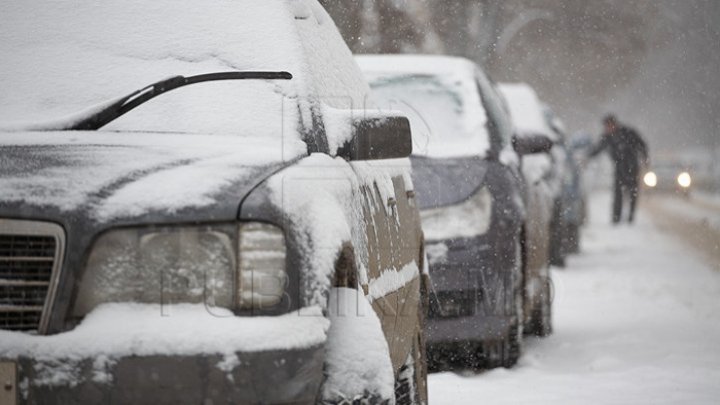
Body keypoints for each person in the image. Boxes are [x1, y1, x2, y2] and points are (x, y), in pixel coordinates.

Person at [587, 115, 649, 224]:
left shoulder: (628, 132)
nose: (607, 128)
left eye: (609, 125)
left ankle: (630, 218)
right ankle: (616, 219)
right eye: (606, 126)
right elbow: (597, 149)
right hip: (619, 169)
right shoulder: (607, 137)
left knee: (632, 194)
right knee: (618, 194)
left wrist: (645, 158)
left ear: (614, 124)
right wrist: (587, 157)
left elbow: (641, 144)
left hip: (632, 167)